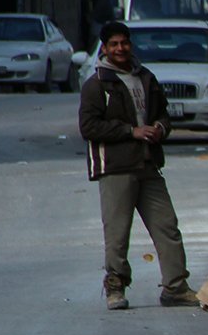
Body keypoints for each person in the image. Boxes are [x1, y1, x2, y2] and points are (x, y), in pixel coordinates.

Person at [79, 21, 198, 310]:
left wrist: (159, 127)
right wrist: (130, 131)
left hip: (148, 166)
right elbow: (89, 127)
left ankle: (175, 288)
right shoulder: (97, 84)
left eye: (125, 43)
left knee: (167, 226)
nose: (121, 49)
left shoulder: (146, 77)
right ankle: (115, 288)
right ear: (105, 49)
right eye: (114, 44)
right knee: (117, 234)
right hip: (116, 168)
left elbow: (164, 116)